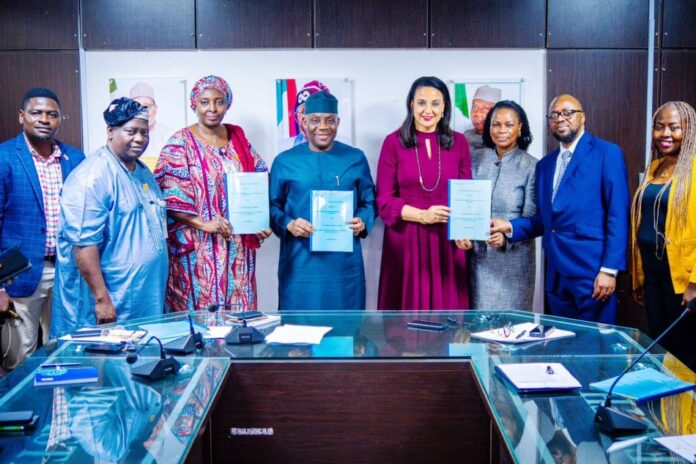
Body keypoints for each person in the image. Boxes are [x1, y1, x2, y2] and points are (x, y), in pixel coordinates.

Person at [491, 94, 629, 323]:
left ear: (582, 117)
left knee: (596, 346)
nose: (560, 118)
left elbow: (618, 214)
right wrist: (509, 226)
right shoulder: (545, 165)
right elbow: (545, 220)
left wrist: (610, 269)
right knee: (564, 343)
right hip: (556, 275)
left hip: (593, 274)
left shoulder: (607, 153)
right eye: (554, 115)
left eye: (567, 112)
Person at [51, 98, 168, 337]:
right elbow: (84, 245)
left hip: (142, 298)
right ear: (111, 131)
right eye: (131, 131)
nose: (139, 139)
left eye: (144, 133)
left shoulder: (142, 171)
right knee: (103, 365)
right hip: (112, 299)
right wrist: (102, 299)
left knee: (138, 365)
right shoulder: (92, 176)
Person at [155, 75, 270, 312]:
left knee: (240, 319)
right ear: (194, 104)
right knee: (201, 318)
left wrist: (260, 221)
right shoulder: (179, 143)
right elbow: (171, 196)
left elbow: (259, 181)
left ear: (228, 104)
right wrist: (205, 224)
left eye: (219, 102)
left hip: (237, 246)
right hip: (199, 248)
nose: (212, 109)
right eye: (205, 102)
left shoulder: (239, 141)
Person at [0, 88, 85, 368]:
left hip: (67, 271)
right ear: (22, 116)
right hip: (19, 277)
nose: (44, 119)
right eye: (36, 113)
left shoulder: (75, 159)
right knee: (19, 359)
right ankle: (25, 410)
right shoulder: (4, 158)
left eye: (52, 114)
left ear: (60, 119)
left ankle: (57, 411)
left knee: (66, 352)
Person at [269, 90, 375, 310]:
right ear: (304, 121)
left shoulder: (355, 158)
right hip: (300, 265)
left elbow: (369, 201)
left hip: (344, 268)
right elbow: (271, 206)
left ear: (338, 122)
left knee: (344, 333)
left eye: (330, 120)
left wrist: (362, 220)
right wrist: (289, 223)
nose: (323, 127)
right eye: (315, 120)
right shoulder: (284, 161)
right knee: (298, 336)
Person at [376, 76, 472, 310]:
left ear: (445, 107)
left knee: (449, 318)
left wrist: (466, 231)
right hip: (406, 239)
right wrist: (422, 216)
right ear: (411, 105)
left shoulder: (459, 142)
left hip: (448, 240)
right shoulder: (393, 142)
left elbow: (466, 195)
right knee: (406, 319)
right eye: (421, 103)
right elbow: (384, 200)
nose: (428, 110)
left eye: (435, 103)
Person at [631, 101, 696, 370]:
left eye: (674, 127)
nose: (665, 134)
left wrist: (694, 283)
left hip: (683, 282)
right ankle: (666, 411)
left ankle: (688, 410)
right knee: (662, 351)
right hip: (654, 275)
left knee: (685, 354)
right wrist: (639, 275)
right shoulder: (655, 168)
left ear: (689, 131)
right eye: (659, 128)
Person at [470, 100, 537, 310]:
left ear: (520, 128)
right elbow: (464, 206)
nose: (501, 131)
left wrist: (507, 236)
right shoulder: (475, 160)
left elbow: (534, 219)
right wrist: (461, 233)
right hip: (477, 261)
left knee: (512, 332)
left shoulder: (532, 166)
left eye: (508, 125)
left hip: (514, 264)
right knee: (477, 331)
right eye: (495, 125)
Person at [129, 81, 174, 170]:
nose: (143, 111)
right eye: (137, 106)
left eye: (147, 106)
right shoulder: (125, 136)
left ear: (155, 109)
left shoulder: (169, 135)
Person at [463, 84, 501, 169]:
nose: (477, 113)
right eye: (475, 107)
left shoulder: (502, 138)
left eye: (486, 108)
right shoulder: (465, 136)